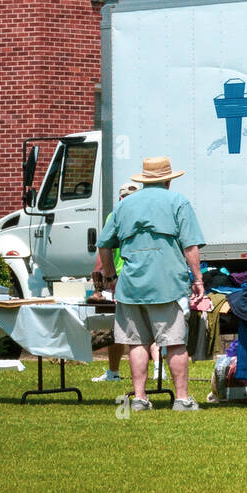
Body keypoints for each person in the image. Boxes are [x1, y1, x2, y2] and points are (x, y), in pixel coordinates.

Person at [96, 156, 205, 412]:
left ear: (144, 180)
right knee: (176, 342)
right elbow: (190, 246)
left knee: (137, 343)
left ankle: (139, 399)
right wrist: (198, 279)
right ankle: (182, 399)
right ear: (168, 180)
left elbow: (103, 245)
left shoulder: (124, 206)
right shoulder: (178, 202)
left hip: (131, 286)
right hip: (168, 285)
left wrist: (111, 277)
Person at [91, 181, 160, 384]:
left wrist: (101, 275)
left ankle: (122, 372)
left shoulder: (115, 216)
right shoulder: (144, 215)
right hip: (137, 278)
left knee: (130, 329)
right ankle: (154, 369)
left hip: (123, 280)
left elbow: (103, 248)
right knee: (141, 325)